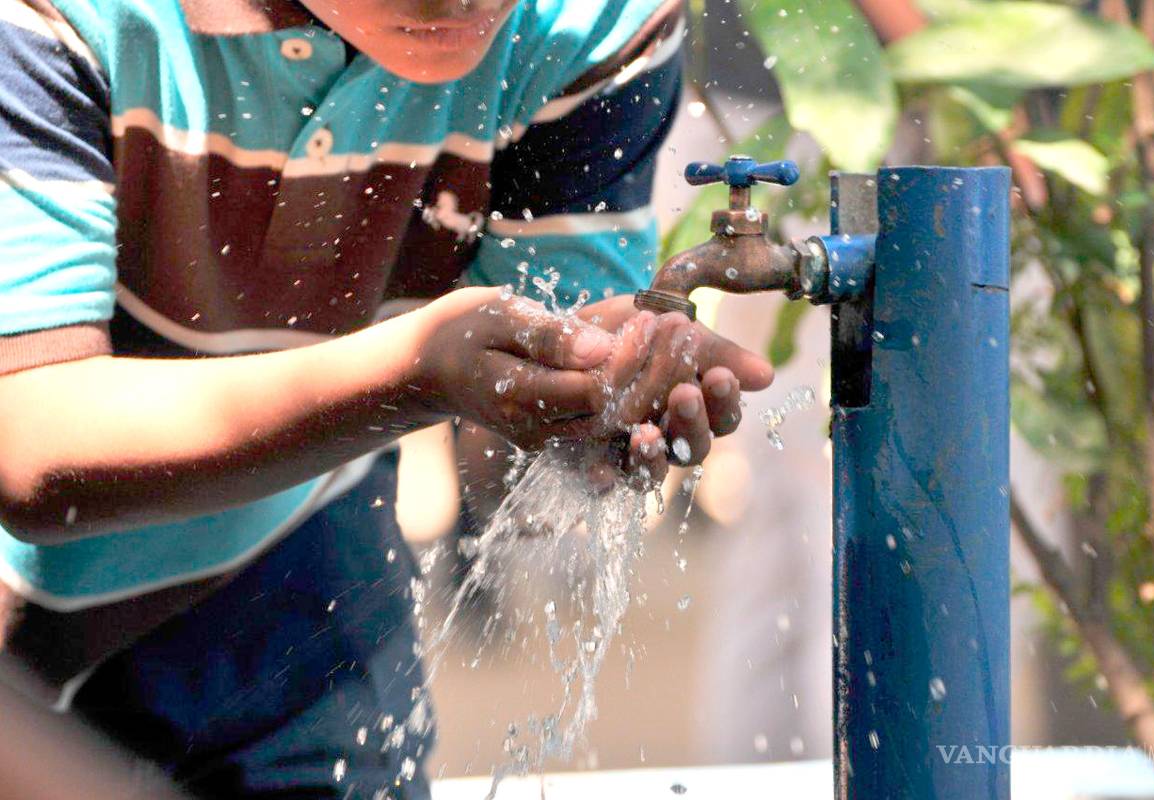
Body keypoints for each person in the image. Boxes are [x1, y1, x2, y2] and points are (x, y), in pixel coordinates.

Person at [0, 0, 773, 797]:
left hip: (302, 556)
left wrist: (593, 399)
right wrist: (410, 376)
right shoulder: (67, 18)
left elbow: (521, 430)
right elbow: (33, 439)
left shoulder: (585, 22)